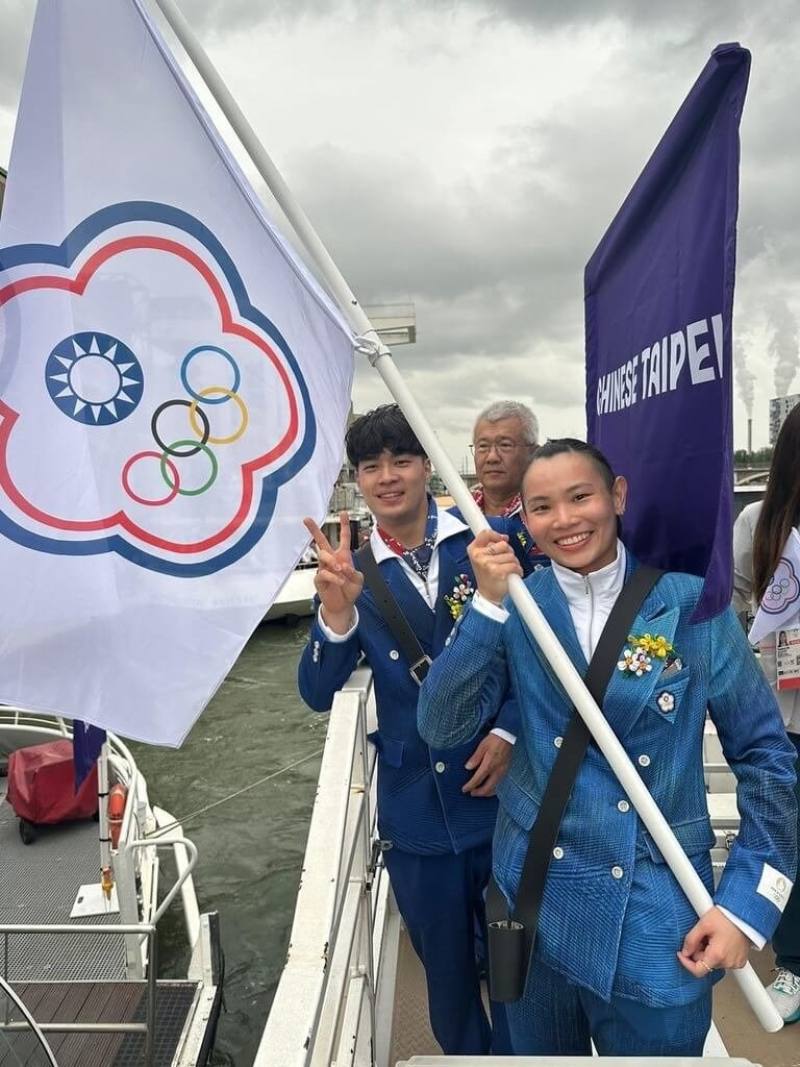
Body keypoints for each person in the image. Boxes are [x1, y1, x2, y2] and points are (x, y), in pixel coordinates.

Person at [418, 437, 797, 1056]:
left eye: (580, 497)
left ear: (616, 496)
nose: (565, 520)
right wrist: (486, 605)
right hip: (535, 901)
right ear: (524, 518)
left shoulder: (691, 606)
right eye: (542, 507)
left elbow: (766, 757)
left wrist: (746, 908)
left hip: (659, 914)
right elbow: (442, 724)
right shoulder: (517, 604)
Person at [298, 404, 526, 1055]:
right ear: (359, 478)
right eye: (372, 465)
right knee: (448, 981)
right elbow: (316, 692)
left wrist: (510, 731)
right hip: (418, 812)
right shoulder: (353, 572)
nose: (388, 476)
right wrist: (336, 613)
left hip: (502, 796)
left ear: (428, 464)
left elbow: (537, 660)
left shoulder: (484, 541)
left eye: (402, 459)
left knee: (518, 967)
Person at [733, 403, 800, 1023]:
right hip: (783, 713)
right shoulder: (759, 521)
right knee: (788, 840)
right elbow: (730, 603)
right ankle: (795, 962)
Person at [471, 400, 548, 570]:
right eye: (482, 446)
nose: (492, 457)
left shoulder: (550, 514)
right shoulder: (455, 518)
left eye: (505, 445)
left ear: (534, 453)